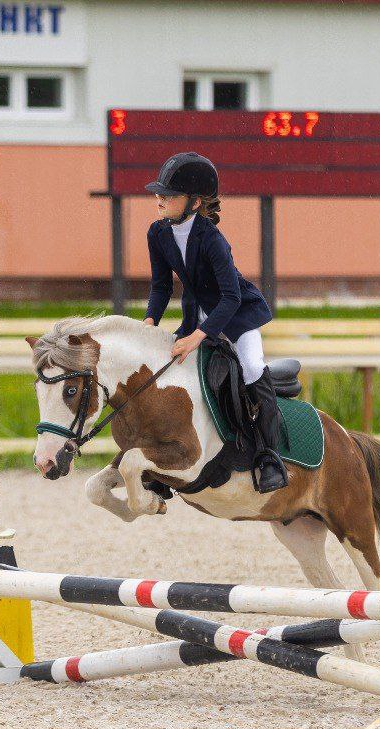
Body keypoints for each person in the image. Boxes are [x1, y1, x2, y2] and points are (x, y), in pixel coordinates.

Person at [143, 151, 288, 492]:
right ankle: (168, 459)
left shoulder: (212, 240)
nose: (159, 199)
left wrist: (196, 337)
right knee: (174, 372)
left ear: (194, 202)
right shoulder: (157, 233)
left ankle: (270, 456)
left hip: (237, 314)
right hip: (197, 313)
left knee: (251, 367)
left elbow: (231, 297)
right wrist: (149, 321)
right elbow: (161, 284)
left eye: (169, 194)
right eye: (159, 192)